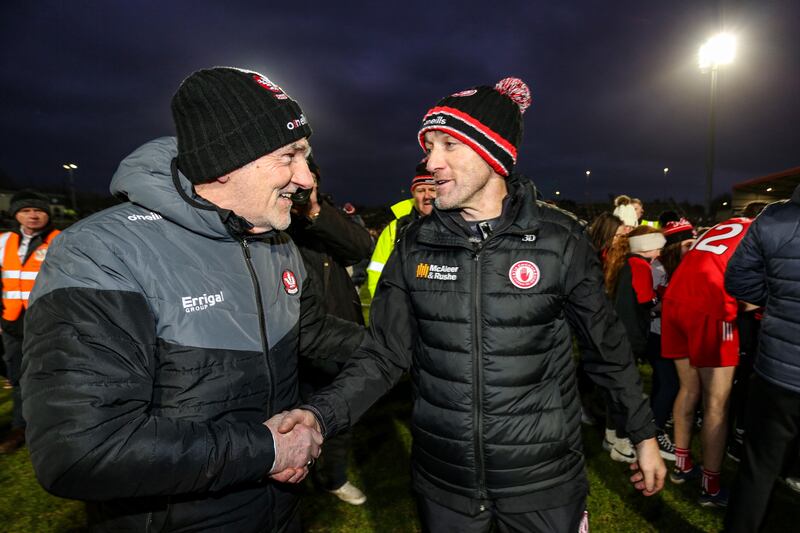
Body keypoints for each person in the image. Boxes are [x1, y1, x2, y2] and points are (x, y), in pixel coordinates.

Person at [281, 77, 665, 532]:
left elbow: (607, 349)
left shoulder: (559, 239)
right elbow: (384, 355)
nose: (431, 161)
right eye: (429, 147)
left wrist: (642, 434)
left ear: (492, 155)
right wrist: (320, 418)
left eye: (448, 145)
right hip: (446, 485)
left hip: (542, 483)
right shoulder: (413, 243)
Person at [21, 67, 363, 532]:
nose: (305, 178)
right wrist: (268, 451)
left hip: (278, 508)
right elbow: (80, 449)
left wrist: (414, 343)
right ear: (225, 162)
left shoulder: (272, 237)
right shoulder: (100, 252)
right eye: (290, 155)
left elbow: (312, 332)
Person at [286, 156, 371, 505]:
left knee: (338, 417)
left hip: (337, 336)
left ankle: (333, 478)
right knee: (290, 420)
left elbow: (361, 247)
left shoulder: (325, 215)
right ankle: (291, 481)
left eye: (310, 181)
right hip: (293, 345)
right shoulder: (270, 220)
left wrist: (316, 211)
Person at [661, 216, 752, 508]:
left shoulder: (733, 223)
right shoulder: (767, 232)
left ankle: (682, 465)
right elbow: (751, 298)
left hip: (676, 298)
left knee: (688, 389)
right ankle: (710, 487)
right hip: (710, 303)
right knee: (717, 404)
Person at [724, 186, 800, 532]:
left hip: (777, 370)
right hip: (779, 367)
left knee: (758, 470)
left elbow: (738, 279)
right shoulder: (775, 218)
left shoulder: (773, 218)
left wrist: (776, 299)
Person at [604, 226, 674, 461]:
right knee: (627, 391)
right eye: (657, 246)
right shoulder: (640, 265)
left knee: (617, 388)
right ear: (648, 246)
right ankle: (623, 444)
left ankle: (611, 435)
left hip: (618, 332)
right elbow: (647, 300)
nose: (660, 251)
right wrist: (666, 302)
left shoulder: (626, 262)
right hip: (630, 334)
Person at [0, 191, 60, 454]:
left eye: (39, 210)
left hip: (49, 323)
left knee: (53, 374)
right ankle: (20, 427)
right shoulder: (3, 242)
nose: (33, 215)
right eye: (26, 211)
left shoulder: (60, 240)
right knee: (18, 378)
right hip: (12, 323)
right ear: (16, 215)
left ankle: (55, 425)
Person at [366, 162, 436, 297]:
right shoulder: (394, 228)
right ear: (413, 193)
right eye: (421, 190)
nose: (427, 196)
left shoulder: (456, 224)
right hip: (403, 310)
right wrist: (385, 307)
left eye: (432, 190)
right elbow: (377, 271)